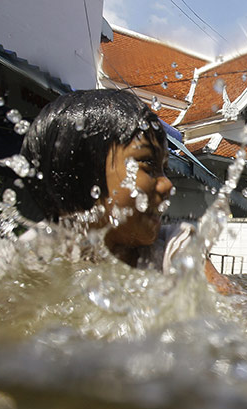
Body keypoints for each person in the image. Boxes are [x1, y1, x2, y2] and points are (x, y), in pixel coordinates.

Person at [19, 88, 235, 293]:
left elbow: (234, 311)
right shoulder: (34, 253)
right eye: (148, 164)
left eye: (165, 169)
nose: (168, 185)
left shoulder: (175, 249)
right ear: (80, 175)